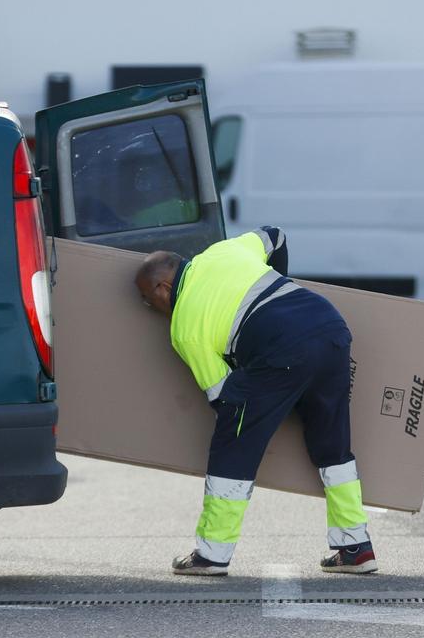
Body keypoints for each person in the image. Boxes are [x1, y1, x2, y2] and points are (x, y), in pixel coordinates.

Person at [134, 226, 376, 576]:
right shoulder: (222, 251)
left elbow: (223, 397)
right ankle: (355, 548)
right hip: (329, 326)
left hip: (282, 351)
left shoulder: (184, 328)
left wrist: (270, 399)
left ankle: (211, 554)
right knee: (333, 448)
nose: (149, 307)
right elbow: (275, 235)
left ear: (163, 288)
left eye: (147, 299)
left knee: (232, 444)